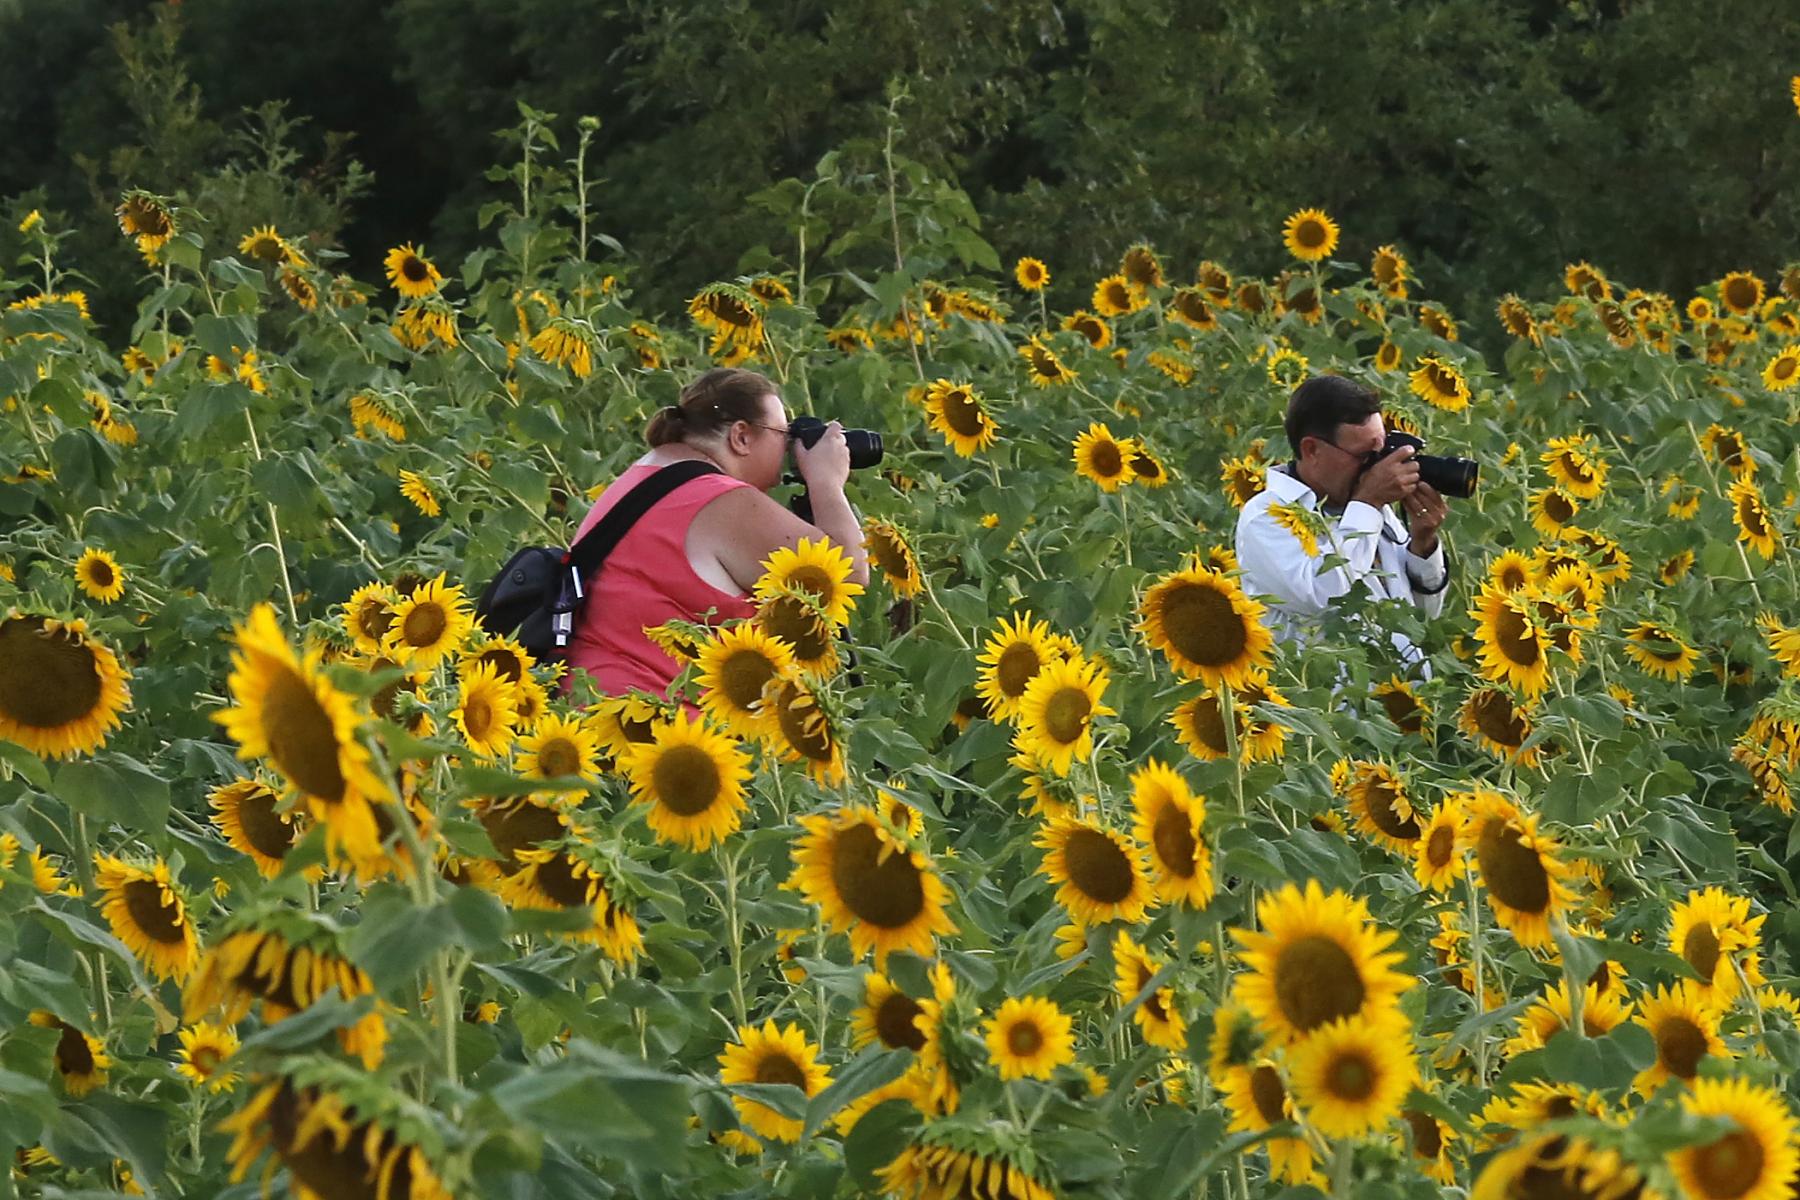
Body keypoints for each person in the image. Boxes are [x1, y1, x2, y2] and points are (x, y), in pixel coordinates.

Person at [564, 367, 870, 699]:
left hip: (590, 703)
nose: (788, 452)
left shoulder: (644, 475)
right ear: (741, 436)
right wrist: (826, 480)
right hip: (650, 724)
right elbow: (848, 571)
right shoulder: (719, 499)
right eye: (783, 435)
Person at [1234, 374, 1450, 665]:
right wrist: (1369, 501)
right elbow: (1329, 600)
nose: (1378, 467)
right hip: (1332, 705)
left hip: (1401, 698)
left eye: (1382, 451)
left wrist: (1423, 546)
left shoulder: (1369, 508)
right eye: (1365, 455)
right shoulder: (1265, 517)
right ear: (1312, 450)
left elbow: (1419, 620)